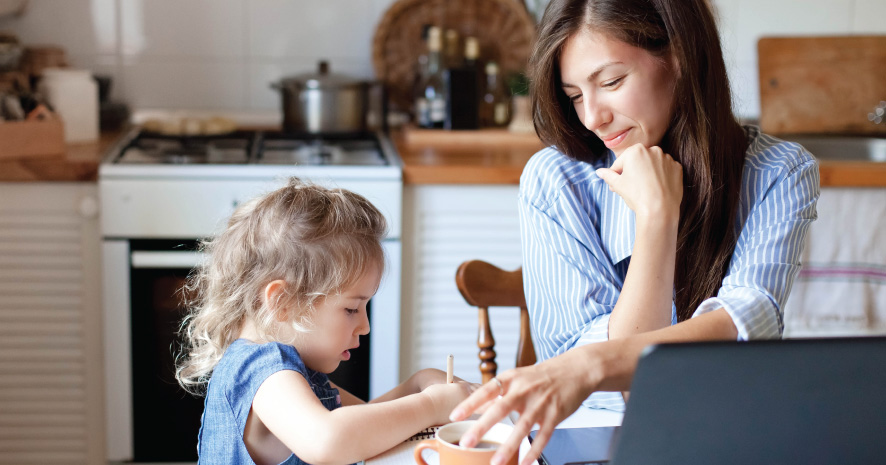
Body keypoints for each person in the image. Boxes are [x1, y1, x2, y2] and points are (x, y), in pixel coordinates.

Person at [449, 0, 819, 463]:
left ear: (679, 59)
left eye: (611, 82)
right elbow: (615, 396)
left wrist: (590, 365)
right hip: (595, 443)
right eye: (575, 95)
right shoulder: (556, 179)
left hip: (725, 436)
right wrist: (656, 222)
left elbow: (745, 324)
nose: (591, 117)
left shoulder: (780, 172)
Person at [176, 178, 475, 465]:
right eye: (351, 309)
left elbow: (366, 422)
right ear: (283, 302)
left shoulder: (297, 366)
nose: (365, 326)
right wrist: (431, 405)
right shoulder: (262, 370)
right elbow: (328, 439)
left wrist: (417, 384)